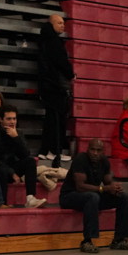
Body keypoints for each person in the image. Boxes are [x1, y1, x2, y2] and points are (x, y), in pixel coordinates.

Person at [58, 139, 128, 253]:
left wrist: (114, 188)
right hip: (70, 196)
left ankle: (119, 239)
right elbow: (80, 187)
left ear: (103, 151)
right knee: (92, 197)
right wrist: (104, 189)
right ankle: (87, 241)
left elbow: (108, 182)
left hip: (91, 197)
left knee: (123, 197)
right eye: (92, 149)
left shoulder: (104, 161)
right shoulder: (80, 159)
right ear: (88, 149)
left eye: (98, 150)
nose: (95, 153)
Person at [0, 103, 46, 209]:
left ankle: (30, 198)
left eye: (14, 119)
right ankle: (2, 203)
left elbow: (25, 154)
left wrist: (16, 138)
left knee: (30, 161)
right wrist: (11, 172)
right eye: (9, 119)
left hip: (12, 167)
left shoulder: (17, 133)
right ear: (0, 119)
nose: (12, 122)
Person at [37, 14, 75, 165]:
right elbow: (61, 62)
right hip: (54, 86)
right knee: (57, 120)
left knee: (50, 119)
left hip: (46, 85)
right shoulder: (54, 42)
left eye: (63, 23)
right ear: (51, 24)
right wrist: (71, 74)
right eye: (59, 23)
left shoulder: (44, 40)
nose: (62, 25)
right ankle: (55, 151)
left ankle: (45, 150)